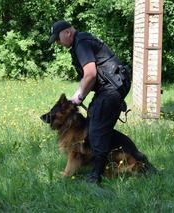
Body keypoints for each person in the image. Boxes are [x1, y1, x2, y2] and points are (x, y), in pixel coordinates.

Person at [48, 20, 131, 183]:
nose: (57, 43)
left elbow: (90, 74)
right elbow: (87, 79)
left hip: (112, 89)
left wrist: (79, 97)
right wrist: (78, 95)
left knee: (97, 131)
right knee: (93, 123)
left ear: (67, 33)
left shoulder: (81, 43)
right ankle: (119, 161)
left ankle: (96, 176)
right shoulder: (79, 43)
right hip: (107, 89)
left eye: (57, 39)